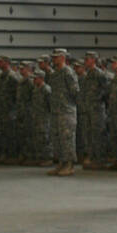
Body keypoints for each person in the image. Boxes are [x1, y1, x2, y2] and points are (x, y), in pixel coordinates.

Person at [47, 48, 78, 176]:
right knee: (57, 138)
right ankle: (61, 163)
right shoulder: (54, 74)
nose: (54, 59)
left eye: (56, 57)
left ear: (63, 58)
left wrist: (68, 105)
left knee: (67, 139)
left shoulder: (68, 72)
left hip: (66, 111)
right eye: (53, 57)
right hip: (56, 111)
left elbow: (75, 92)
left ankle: (69, 164)